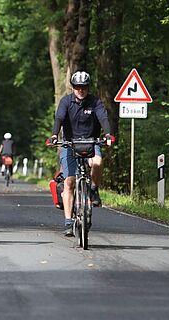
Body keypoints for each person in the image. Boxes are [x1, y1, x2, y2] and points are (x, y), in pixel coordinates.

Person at [50, 70, 113, 237]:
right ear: (72, 88)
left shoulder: (95, 102)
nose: (81, 90)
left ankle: (93, 189)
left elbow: (103, 119)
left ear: (88, 87)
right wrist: (55, 135)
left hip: (91, 142)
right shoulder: (66, 102)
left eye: (84, 87)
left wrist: (107, 135)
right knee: (69, 182)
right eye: (77, 87)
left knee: (97, 163)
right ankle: (69, 222)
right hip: (70, 144)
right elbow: (59, 119)